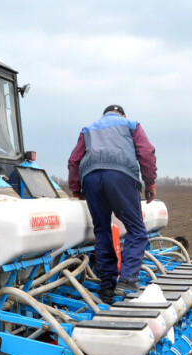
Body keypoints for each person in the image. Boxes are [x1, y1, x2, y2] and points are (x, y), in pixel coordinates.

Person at [68, 104, 157, 302]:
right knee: (136, 229)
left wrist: (77, 189)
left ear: (104, 115)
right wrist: (150, 182)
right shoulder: (131, 125)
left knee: (102, 231)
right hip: (120, 175)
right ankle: (126, 281)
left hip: (90, 178)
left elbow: (74, 160)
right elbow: (146, 153)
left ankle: (107, 286)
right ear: (123, 115)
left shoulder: (88, 129)